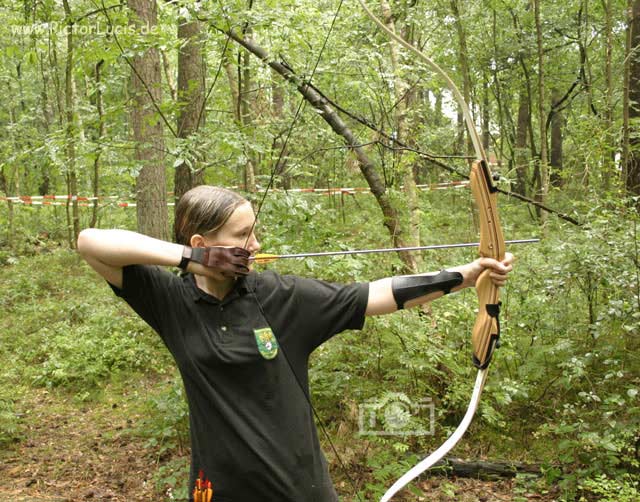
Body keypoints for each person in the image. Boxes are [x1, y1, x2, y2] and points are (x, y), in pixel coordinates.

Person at [77, 185, 514, 501]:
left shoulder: (280, 297)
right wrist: (191, 261)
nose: (256, 244)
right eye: (242, 235)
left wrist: (466, 275)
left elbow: (376, 294)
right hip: (218, 489)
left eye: (254, 232)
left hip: (298, 489)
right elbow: (90, 242)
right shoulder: (170, 300)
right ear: (201, 243)